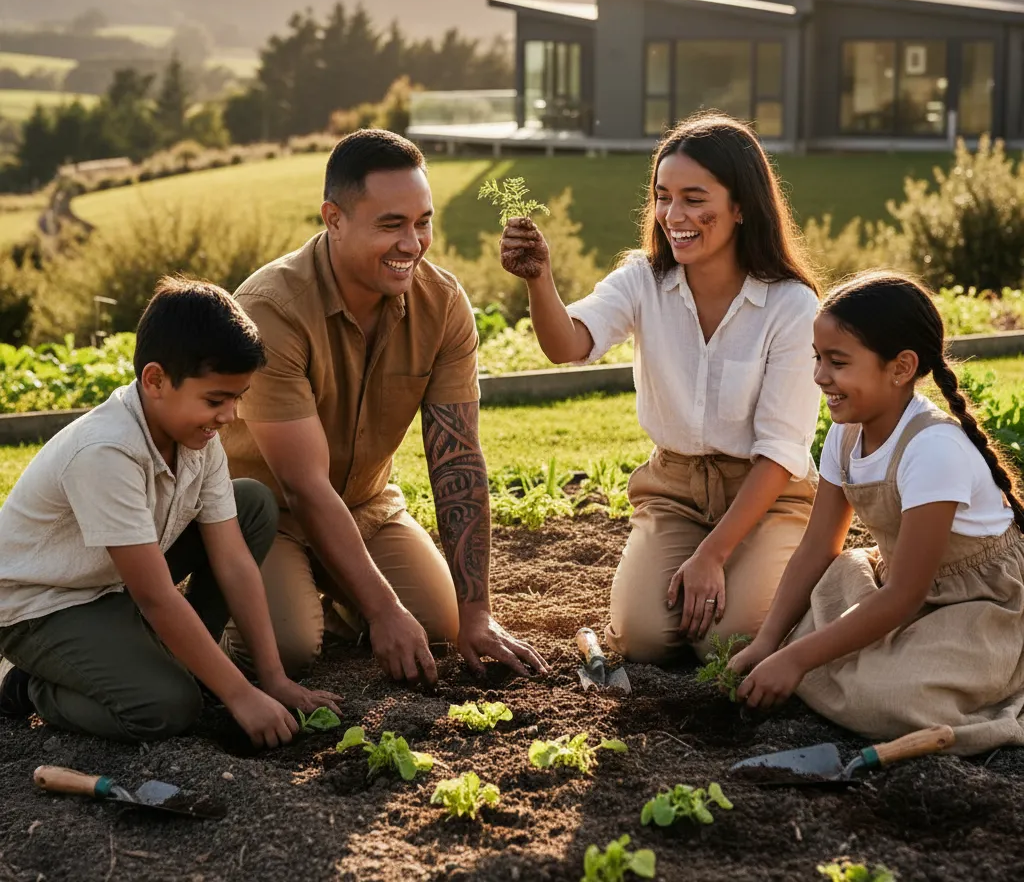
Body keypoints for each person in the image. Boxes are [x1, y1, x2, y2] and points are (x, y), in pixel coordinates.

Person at [220, 129, 548, 685]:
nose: (412, 244)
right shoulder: (271, 309)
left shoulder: (442, 304)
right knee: (289, 647)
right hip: (267, 517)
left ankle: (333, 601)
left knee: (442, 625)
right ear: (334, 219)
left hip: (366, 506)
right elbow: (303, 486)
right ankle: (219, 615)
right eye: (391, 225)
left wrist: (477, 613)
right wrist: (382, 610)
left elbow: (458, 459)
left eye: (423, 222)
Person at [500, 112, 821, 662]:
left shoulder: (791, 306)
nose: (674, 216)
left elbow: (779, 451)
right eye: (663, 197)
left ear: (741, 206)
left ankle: (804, 581)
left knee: (725, 643)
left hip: (767, 497)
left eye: (695, 199)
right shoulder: (642, 279)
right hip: (674, 492)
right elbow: (568, 345)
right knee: (644, 639)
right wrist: (539, 279)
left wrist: (712, 555)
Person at [0, 278, 340, 746]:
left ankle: (178, 661)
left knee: (251, 505)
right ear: (155, 380)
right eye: (216, 400)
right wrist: (240, 695)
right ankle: (24, 683)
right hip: (45, 606)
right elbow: (156, 596)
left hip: (114, 584)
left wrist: (272, 680)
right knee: (167, 707)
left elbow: (233, 561)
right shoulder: (106, 452)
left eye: (237, 397)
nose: (230, 415)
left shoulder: (197, 437)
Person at [729, 272, 1024, 755]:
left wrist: (796, 659)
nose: (820, 376)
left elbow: (905, 595)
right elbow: (817, 548)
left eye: (838, 362)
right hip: (898, 584)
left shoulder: (933, 448)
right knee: (820, 614)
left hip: (976, 603)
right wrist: (768, 643)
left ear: (901, 367)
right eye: (817, 358)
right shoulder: (846, 435)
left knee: (886, 696)